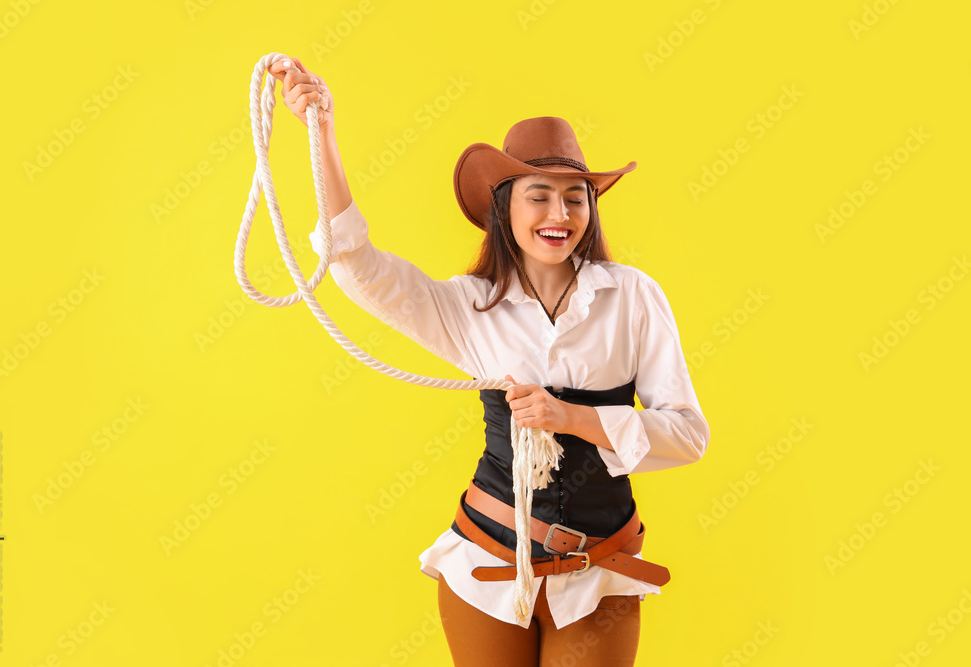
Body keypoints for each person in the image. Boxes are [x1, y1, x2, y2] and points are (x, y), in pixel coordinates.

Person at [268, 56, 710, 667]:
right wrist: (322, 132)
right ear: (505, 208)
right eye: (539, 197)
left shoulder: (634, 295)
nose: (559, 216)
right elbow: (357, 265)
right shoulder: (470, 306)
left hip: (600, 566)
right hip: (486, 559)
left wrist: (572, 418)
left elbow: (689, 435)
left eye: (574, 199)